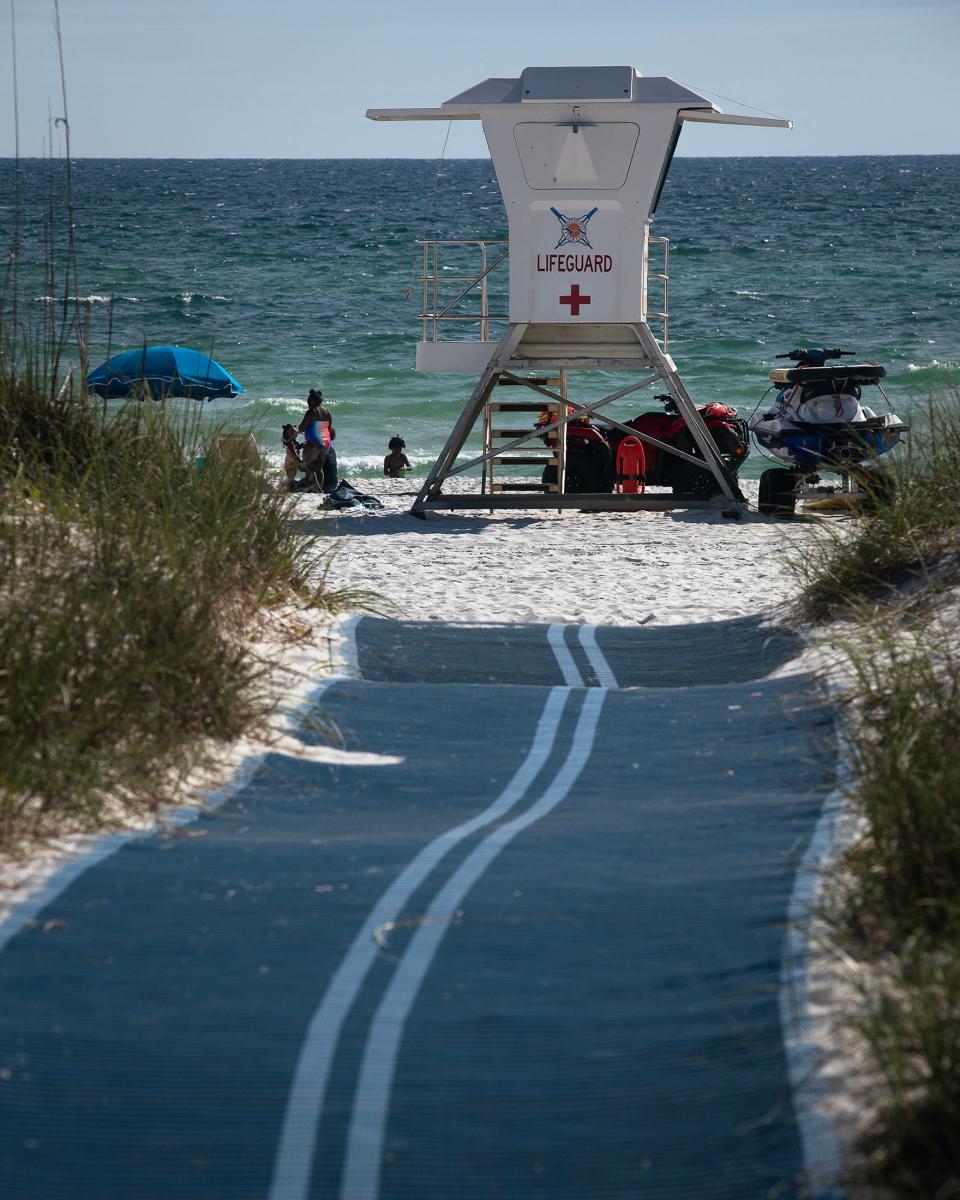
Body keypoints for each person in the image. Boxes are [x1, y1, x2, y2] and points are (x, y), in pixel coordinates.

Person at [297, 388, 335, 489]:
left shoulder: (312, 411)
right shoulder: (328, 412)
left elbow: (301, 428)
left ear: (312, 401)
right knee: (318, 468)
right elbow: (328, 428)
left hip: (314, 443)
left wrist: (295, 430)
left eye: (308, 402)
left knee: (307, 467)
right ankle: (318, 488)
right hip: (325, 442)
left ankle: (313, 486)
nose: (308, 405)